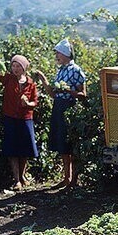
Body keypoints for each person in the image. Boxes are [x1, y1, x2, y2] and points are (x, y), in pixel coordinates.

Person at [34, 38, 86, 189]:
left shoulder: (75, 70)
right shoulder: (61, 71)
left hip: (69, 108)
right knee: (63, 144)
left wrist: (68, 90)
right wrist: (43, 80)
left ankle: (74, 179)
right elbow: (53, 94)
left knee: (71, 143)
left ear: (65, 54)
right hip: (59, 107)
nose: (56, 56)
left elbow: (83, 94)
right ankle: (66, 178)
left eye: (58, 53)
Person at [0, 54, 39, 191]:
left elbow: (35, 102)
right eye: (13, 66)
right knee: (12, 149)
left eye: (18, 66)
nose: (15, 69)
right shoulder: (8, 79)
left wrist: (27, 103)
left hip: (26, 118)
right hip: (10, 118)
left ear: (24, 68)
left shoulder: (30, 83)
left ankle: (22, 176)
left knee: (24, 149)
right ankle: (17, 180)